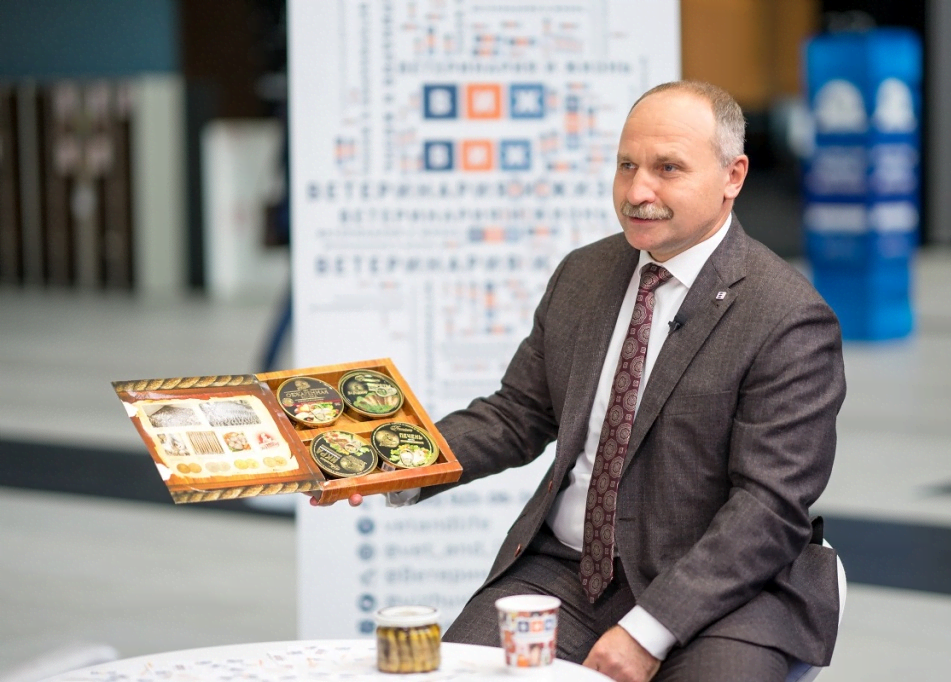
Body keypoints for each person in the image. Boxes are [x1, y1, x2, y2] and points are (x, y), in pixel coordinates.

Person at [321, 80, 846, 682]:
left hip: (725, 592)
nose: (637, 191)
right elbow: (518, 413)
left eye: (668, 168)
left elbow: (767, 508)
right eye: (626, 166)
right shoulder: (585, 274)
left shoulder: (787, 317)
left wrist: (649, 629)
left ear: (733, 175)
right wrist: (389, 462)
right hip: (566, 572)